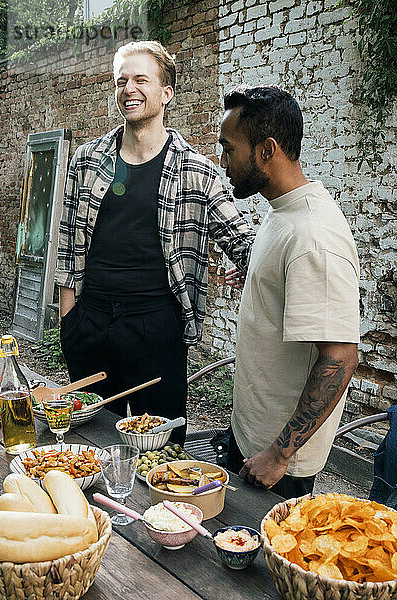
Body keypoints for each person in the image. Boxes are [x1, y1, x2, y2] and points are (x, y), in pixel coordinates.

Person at [55, 41, 254, 445]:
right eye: (122, 81)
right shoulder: (87, 160)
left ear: (167, 93)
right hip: (90, 323)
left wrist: (256, 263)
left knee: (159, 455)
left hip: (156, 330)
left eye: (141, 79)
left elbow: (246, 243)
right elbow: (67, 242)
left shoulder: (197, 172)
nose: (129, 88)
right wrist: (68, 319)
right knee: (89, 446)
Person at [220, 86, 360, 499]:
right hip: (250, 437)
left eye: (229, 148)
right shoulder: (284, 209)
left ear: (266, 150)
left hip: (278, 464)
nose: (222, 160)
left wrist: (280, 455)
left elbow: (340, 357)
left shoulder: (314, 236)